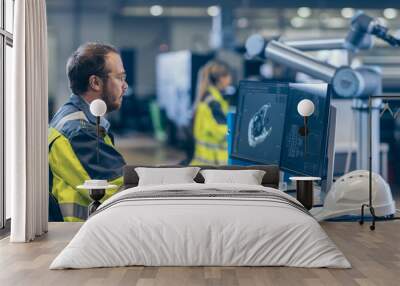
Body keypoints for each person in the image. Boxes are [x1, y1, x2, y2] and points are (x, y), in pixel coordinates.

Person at [48, 43, 128, 221]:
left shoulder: (74, 118)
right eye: (120, 78)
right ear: (95, 82)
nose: (125, 86)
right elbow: (123, 192)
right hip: (81, 236)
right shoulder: (80, 132)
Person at [190, 60, 232, 165]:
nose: (230, 80)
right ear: (221, 78)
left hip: (203, 164)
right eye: (228, 76)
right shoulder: (213, 103)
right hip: (213, 164)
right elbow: (223, 131)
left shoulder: (207, 97)